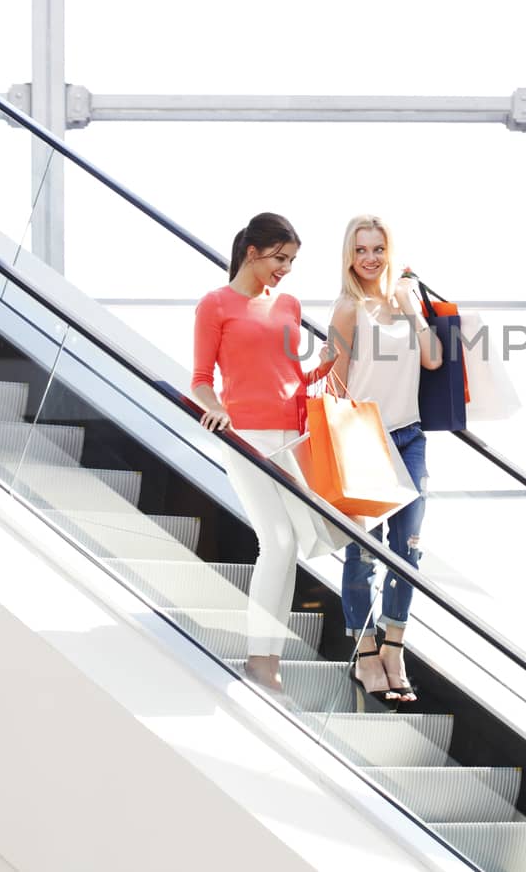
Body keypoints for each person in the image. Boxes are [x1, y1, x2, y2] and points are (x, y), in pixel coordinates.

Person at [192, 212, 330, 695]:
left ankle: (269, 655)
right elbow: (200, 382)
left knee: (297, 546)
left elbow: (291, 380)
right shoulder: (215, 305)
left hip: (292, 437)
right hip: (245, 437)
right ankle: (261, 659)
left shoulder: (288, 304)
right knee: (277, 542)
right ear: (252, 253)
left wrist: (328, 366)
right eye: (280, 258)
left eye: (291, 260)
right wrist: (218, 412)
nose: (286, 269)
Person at [326, 215, 441, 703]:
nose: (369, 259)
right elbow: (335, 378)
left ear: (389, 252)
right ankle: (365, 650)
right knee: (364, 551)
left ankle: (395, 645)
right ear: (350, 256)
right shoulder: (349, 307)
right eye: (361, 250)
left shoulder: (404, 302)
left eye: (377, 249)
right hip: (363, 437)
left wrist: (412, 307)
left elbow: (433, 359)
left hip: (410, 436)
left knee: (408, 549)